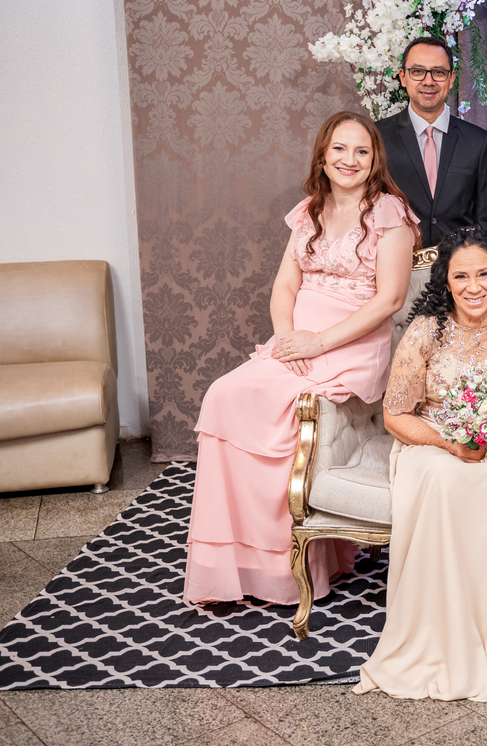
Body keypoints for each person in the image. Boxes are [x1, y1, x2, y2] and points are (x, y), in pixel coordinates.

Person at [183, 111, 420, 605]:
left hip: (352, 344)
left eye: (361, 151)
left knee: (278, 409)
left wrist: (319, 342)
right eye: (340, 149)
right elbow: (285, 286)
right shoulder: (309, 210)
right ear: (323, 156)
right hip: (297, 343)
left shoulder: (390, 213)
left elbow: (391, 300)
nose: (350, 160)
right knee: (223, 396)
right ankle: (237, 563)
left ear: (375, 159)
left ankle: (287, 569)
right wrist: (285, 339)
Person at [355, 227, 487, 702]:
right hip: (433, 439)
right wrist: (451, 442)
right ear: (445, 281)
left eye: (483, 274)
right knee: (444, 479)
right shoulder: (425, 331)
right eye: (461, 276)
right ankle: (442, 631)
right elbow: (395, 415)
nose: (473, 286)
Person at [375, 37, 487, 245]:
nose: (428, 81)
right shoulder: (377, 136)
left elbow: (485, 218)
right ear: (403, 77)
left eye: (438, 72)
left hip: (459, 260)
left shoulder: (477, 140)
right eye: (417, 71)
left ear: (451, 79)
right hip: (396, 259)